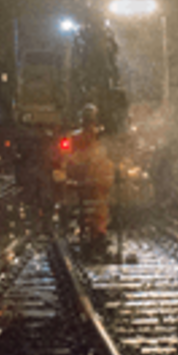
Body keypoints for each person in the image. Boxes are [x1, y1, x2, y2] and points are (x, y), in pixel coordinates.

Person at [65, 104, 115, 259]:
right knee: (99, 208)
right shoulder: (94, 139)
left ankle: (96, 234)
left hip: (88, 182)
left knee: (98, 207)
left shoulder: (79, 138)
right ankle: (97, 234)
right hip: (88, 182)